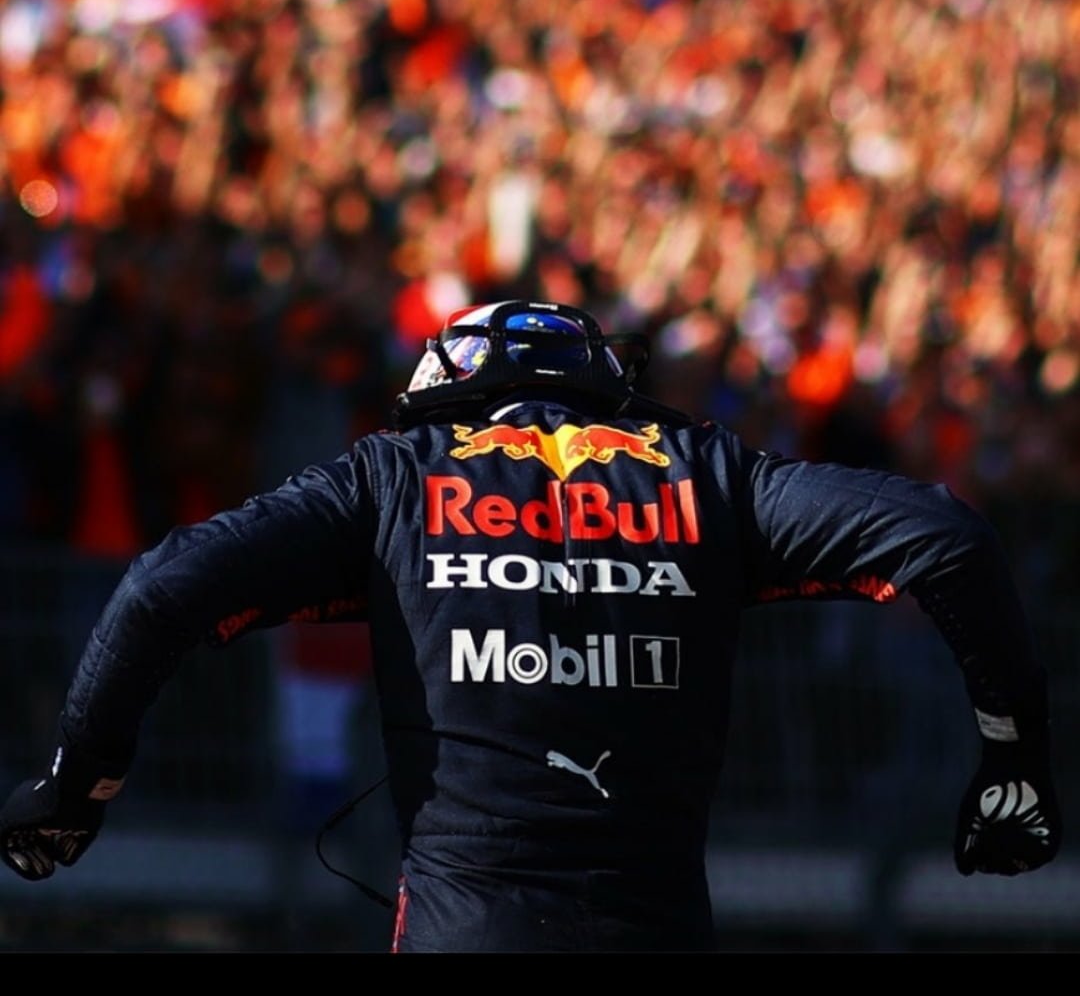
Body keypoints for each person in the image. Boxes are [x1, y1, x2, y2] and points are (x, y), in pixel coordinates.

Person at [0, 299, 1064, 953]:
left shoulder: (394, 476)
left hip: (465, 931)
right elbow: (948, 538)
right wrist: (1012, 757)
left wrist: (75, 785)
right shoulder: (705, 471)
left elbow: (163, 585)